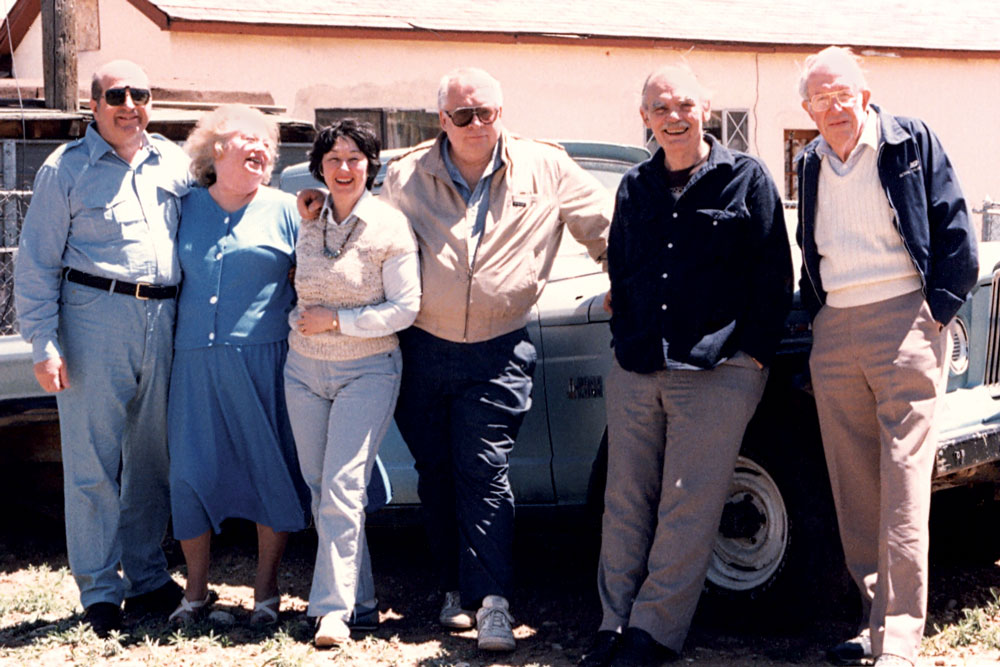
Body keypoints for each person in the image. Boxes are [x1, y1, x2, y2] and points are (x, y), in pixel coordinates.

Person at [299, 66, 611, 652]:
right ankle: (454, 590)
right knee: (438, 474)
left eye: (485, 113)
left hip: (500, 346)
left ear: (501, 112)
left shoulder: (546, 167)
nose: (475, 124)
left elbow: (608, 229)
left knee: (484, 471)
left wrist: (624, 281)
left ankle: (494, 602)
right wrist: (313, 205)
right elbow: (356, 218)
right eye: (461, 115)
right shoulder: (407, 173)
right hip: (422, 347)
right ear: (442, 119)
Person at [579, 64, 793, 667]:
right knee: (624, 499)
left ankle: (653, 634)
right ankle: (612, 625)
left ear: (706, 109)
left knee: (686, 504)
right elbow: (620, 268)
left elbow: (774, 276)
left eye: (684, 106)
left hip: (719, 369)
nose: (674, 118)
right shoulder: (634, 187)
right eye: (660, 109)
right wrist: (626, 338)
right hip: (639, 364)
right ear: (644, 118)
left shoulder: (746, 178)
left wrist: (751, 357)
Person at [795, 47, 978, 667]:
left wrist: (938, 315)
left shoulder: (909, 142)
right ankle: (873, 622)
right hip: (835, 327)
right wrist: (818, 317)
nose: (834, 107)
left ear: (865, 96)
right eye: (821, 98)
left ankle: (899, 635)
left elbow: (956, 231)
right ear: (807, 108)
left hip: (904, 320)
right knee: (855, 485)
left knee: (903, 482)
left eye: (844, 93)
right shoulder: (809, 161)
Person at [13, 60, 189, 636]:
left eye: (141, 93)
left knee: (151, 459)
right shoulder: (66, 169)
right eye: (116, 95)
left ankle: (145, 575)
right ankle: (98, 589)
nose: (130, 104)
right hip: (93, 317)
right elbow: (35, 261)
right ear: (94, 105)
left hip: (164, 316)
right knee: (92, 462)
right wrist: (42, 341)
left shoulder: (175, 162)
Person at [165, 104, 310, 625]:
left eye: (267, 145)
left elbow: (312, 275)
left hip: (265, 361)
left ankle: (266, 591)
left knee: (270, 470)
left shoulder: (287, 208)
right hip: (193, 365)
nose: (261, 151)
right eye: (248, 140)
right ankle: (196, 591)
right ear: (215, 149)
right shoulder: (185, 207)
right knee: (190, 473)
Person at [283, 119, 421, 647]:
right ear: (320, 166)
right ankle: (360, 603)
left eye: (355, 158)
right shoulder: (308, 217)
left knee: (343, 487)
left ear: (371, 165)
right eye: (334, 158)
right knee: (322, 490)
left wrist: (339, 322)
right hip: (302, 370)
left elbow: (405, 308)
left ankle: (331, 613)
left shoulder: (390, 226)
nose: (344, 168)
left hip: (366, 369)